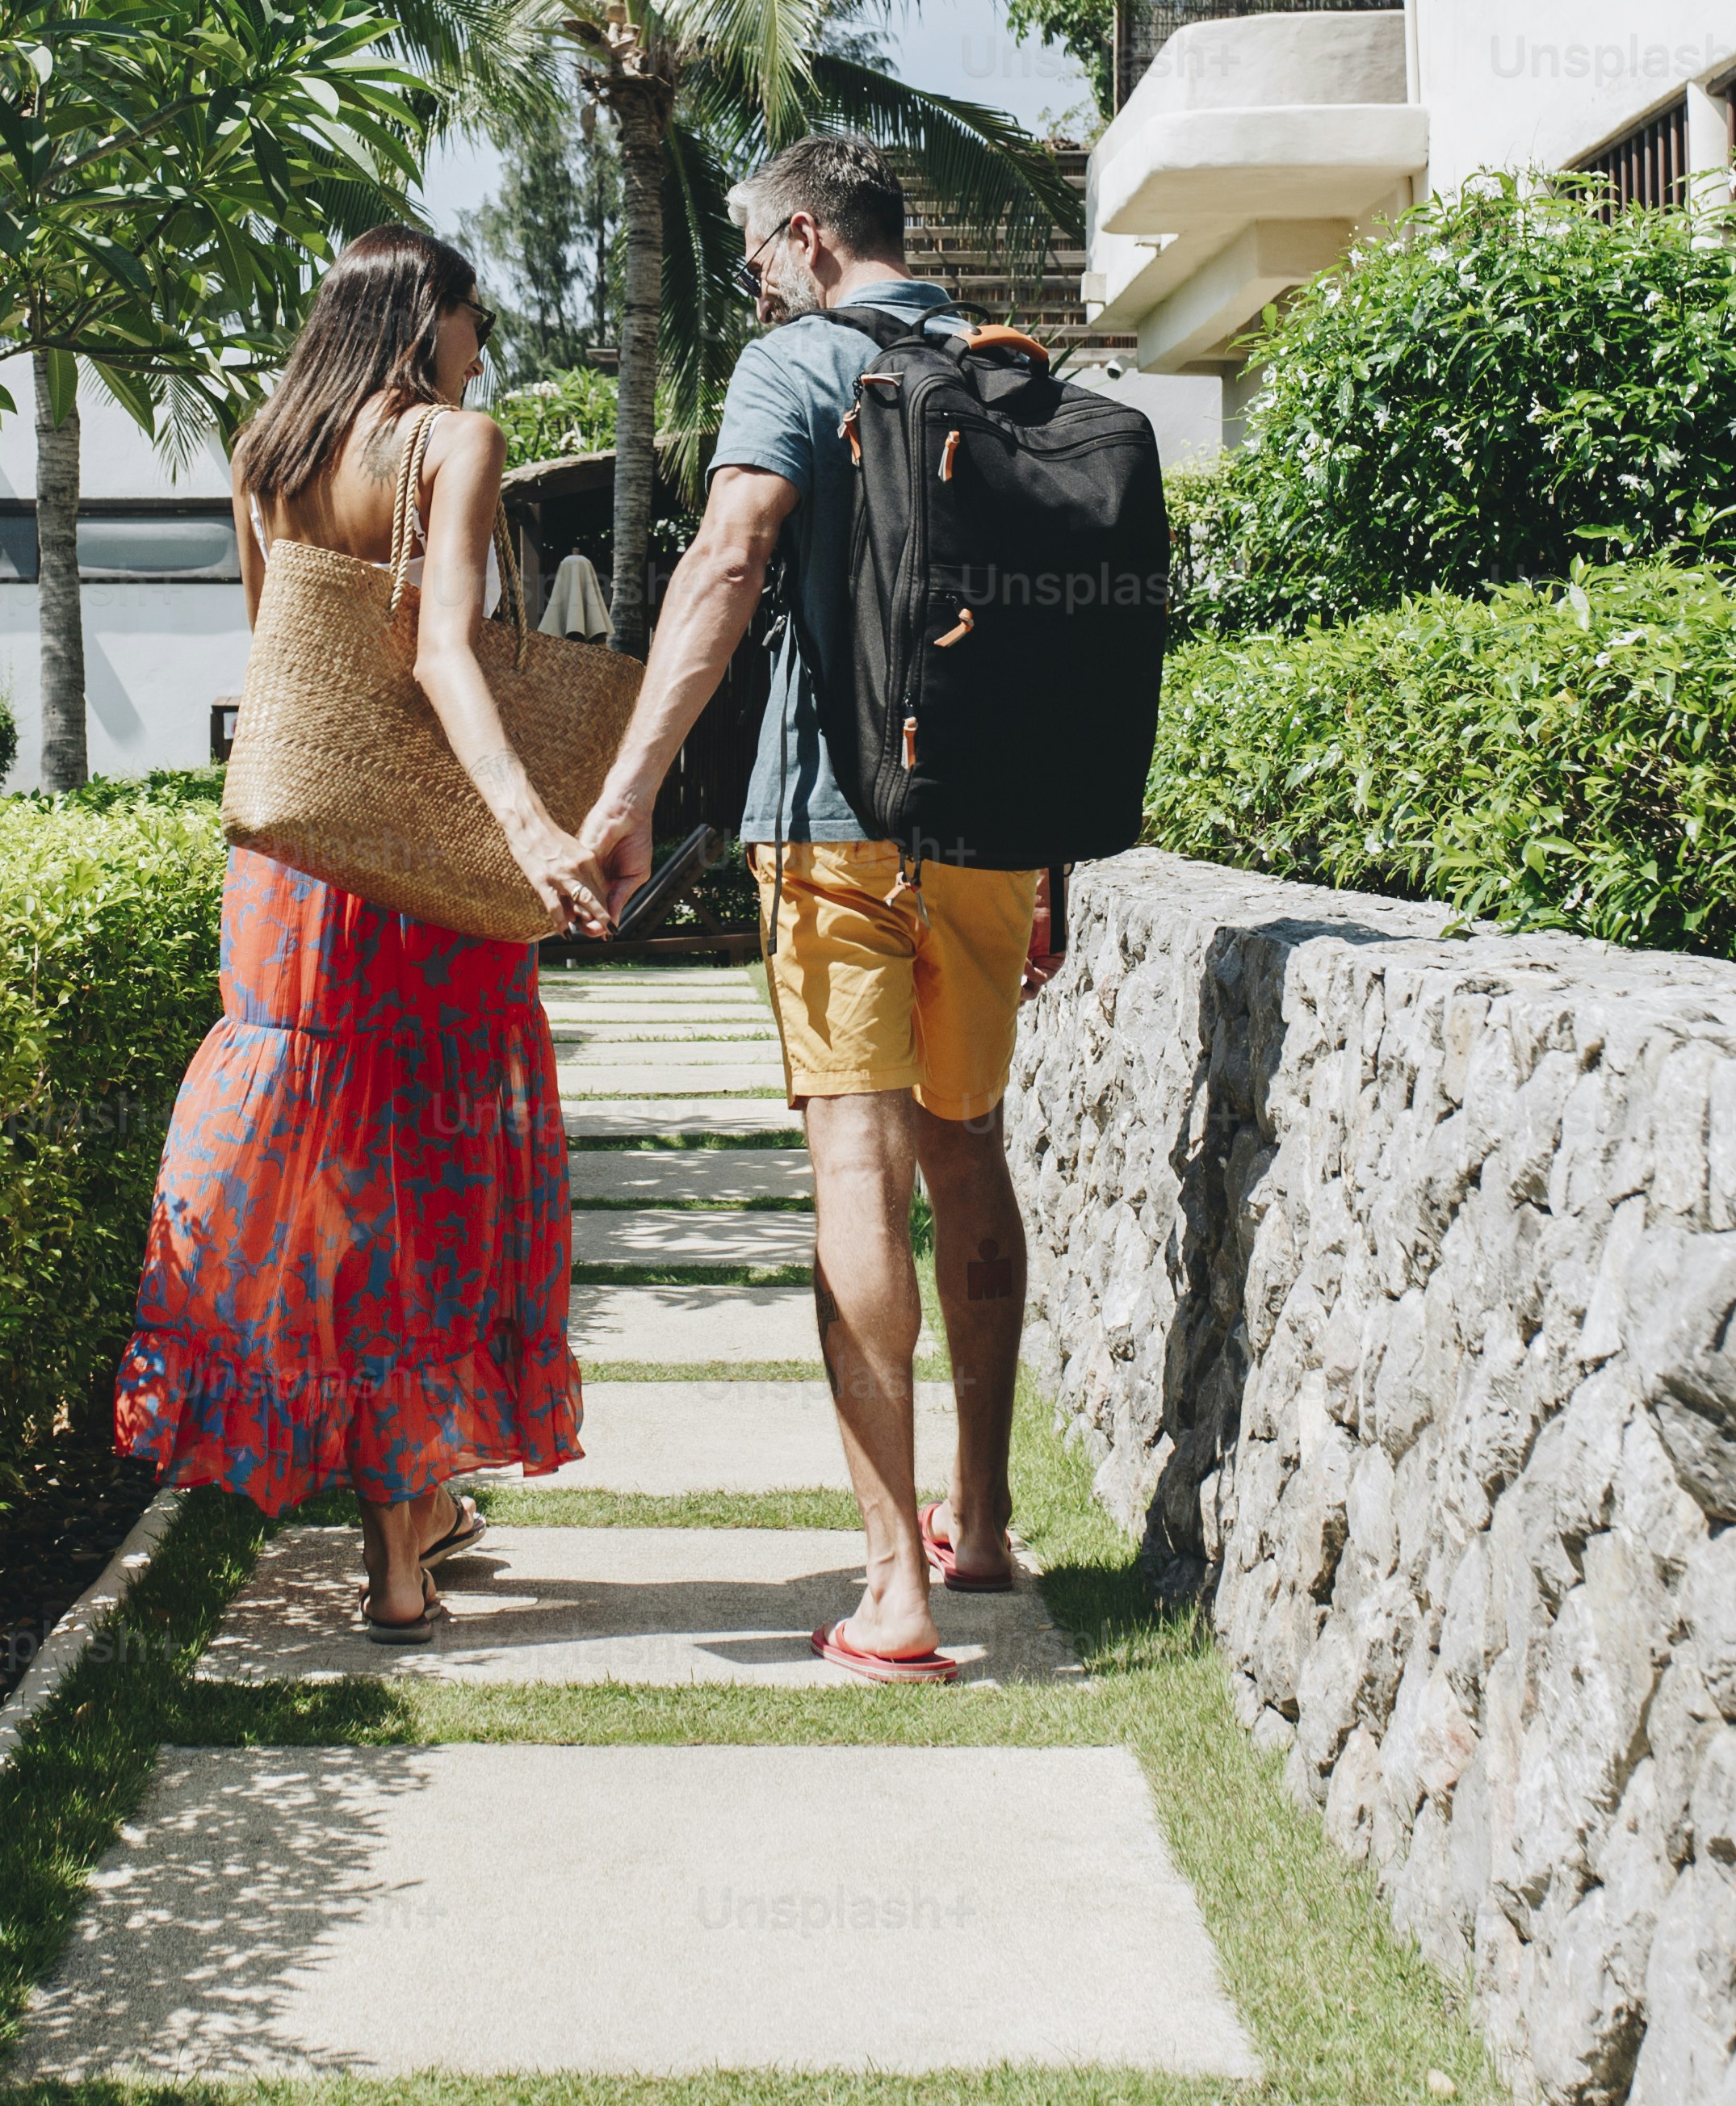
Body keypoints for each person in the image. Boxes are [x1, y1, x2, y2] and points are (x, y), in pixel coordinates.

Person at [577, 136, 1049, 1683]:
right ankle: (977, 1526)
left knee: (857, 1152)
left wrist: (632, 790)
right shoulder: (1004, 365)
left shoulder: (795, 362)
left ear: (799, 239)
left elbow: (725, 562)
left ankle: (891, 1595)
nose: (753, 278)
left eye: (753, 252)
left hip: (837, 823)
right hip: (992, 828)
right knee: (968, 1144)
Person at [115, 224, 610, 1638]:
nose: (480, 354)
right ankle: (402, 1552)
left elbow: (287, 673)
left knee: (337, 1195)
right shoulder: (456, 442)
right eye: (473, 326)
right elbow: (444, 651)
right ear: (425, 321)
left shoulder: (265, 448)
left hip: (292, 876)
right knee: (429, 1199)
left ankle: (409, 1525)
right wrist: (526, 826)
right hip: (422, 889)